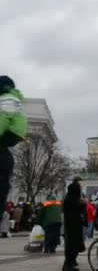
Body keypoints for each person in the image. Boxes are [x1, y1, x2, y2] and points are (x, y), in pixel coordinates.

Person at [0, 76, 27, 215]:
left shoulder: (7, 98)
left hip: (8, 135)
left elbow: (3, 118)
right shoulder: (15, 99)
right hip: (12, 137)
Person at [63, 177, 86, 271]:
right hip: (73, 225)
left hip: (74, 224)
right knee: (71, 245)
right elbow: (75, 207)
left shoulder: (71, 197)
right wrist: (83, 203)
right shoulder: (72, 198)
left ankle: (71, 263)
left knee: (74, 245)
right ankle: (68, 265)